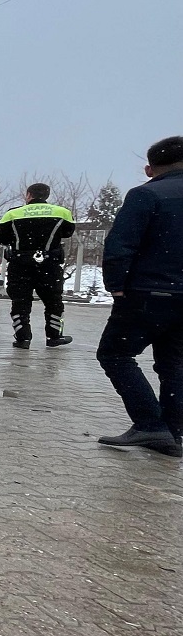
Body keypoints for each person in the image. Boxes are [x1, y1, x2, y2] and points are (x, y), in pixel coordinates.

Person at [95, 135, 183, 458]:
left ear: (150, 169)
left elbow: (120, 245)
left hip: (149, 293)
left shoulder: (146, 195)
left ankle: (150, 424)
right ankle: (173, 433)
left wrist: (116, 285)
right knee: (174, 362)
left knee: (114, 354)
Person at [0, 184, 76, 348]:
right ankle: (53, 337)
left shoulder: (12, 214)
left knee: (20, 302)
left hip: (20, 264)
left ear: (28, 195)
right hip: (49, 264)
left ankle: (23, 338)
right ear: (47, 195)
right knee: (53, 301)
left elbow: (0, 238)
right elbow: (67, 232)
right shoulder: (62, 212)